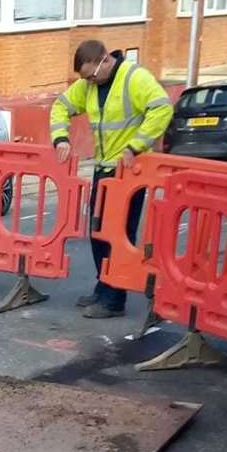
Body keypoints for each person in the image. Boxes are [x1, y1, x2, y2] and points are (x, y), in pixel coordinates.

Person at [50, 40, 173, 319]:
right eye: (84, 79)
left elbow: (162, 108)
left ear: (106, 60)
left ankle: (114, 298)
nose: (88, 83)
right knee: (98, 232)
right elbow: (60, 106)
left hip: (129, 171)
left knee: (118, 235)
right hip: (104, 169)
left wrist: (135, 146)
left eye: (91, 76)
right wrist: (60, 138)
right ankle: (103, 284)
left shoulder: (134, 78)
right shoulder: (90, 85)